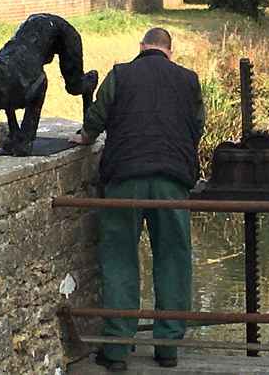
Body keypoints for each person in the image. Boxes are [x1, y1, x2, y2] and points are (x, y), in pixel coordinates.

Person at [70, 27, 205, 372]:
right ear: (169, 53)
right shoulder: (188, 80)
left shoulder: (120, 75)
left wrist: (84, 137)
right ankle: (167, 346)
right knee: (174, 258)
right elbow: (196, 126)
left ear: (141, 47)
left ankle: (117, 349)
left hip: (125, 179)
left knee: (120, 258)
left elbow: (95, 122)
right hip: (171, 181)